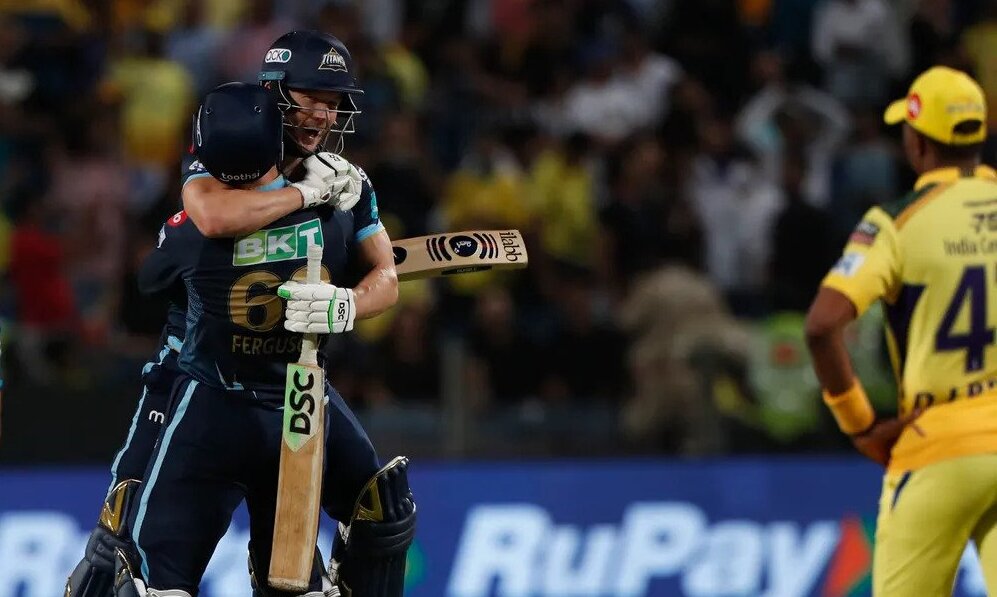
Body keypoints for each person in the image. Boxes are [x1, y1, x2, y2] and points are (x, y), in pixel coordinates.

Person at [805, 66, 997, 596]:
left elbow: (822, 325)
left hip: (938, 444)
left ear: (917, 144)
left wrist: (861, 424)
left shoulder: (896, 222)